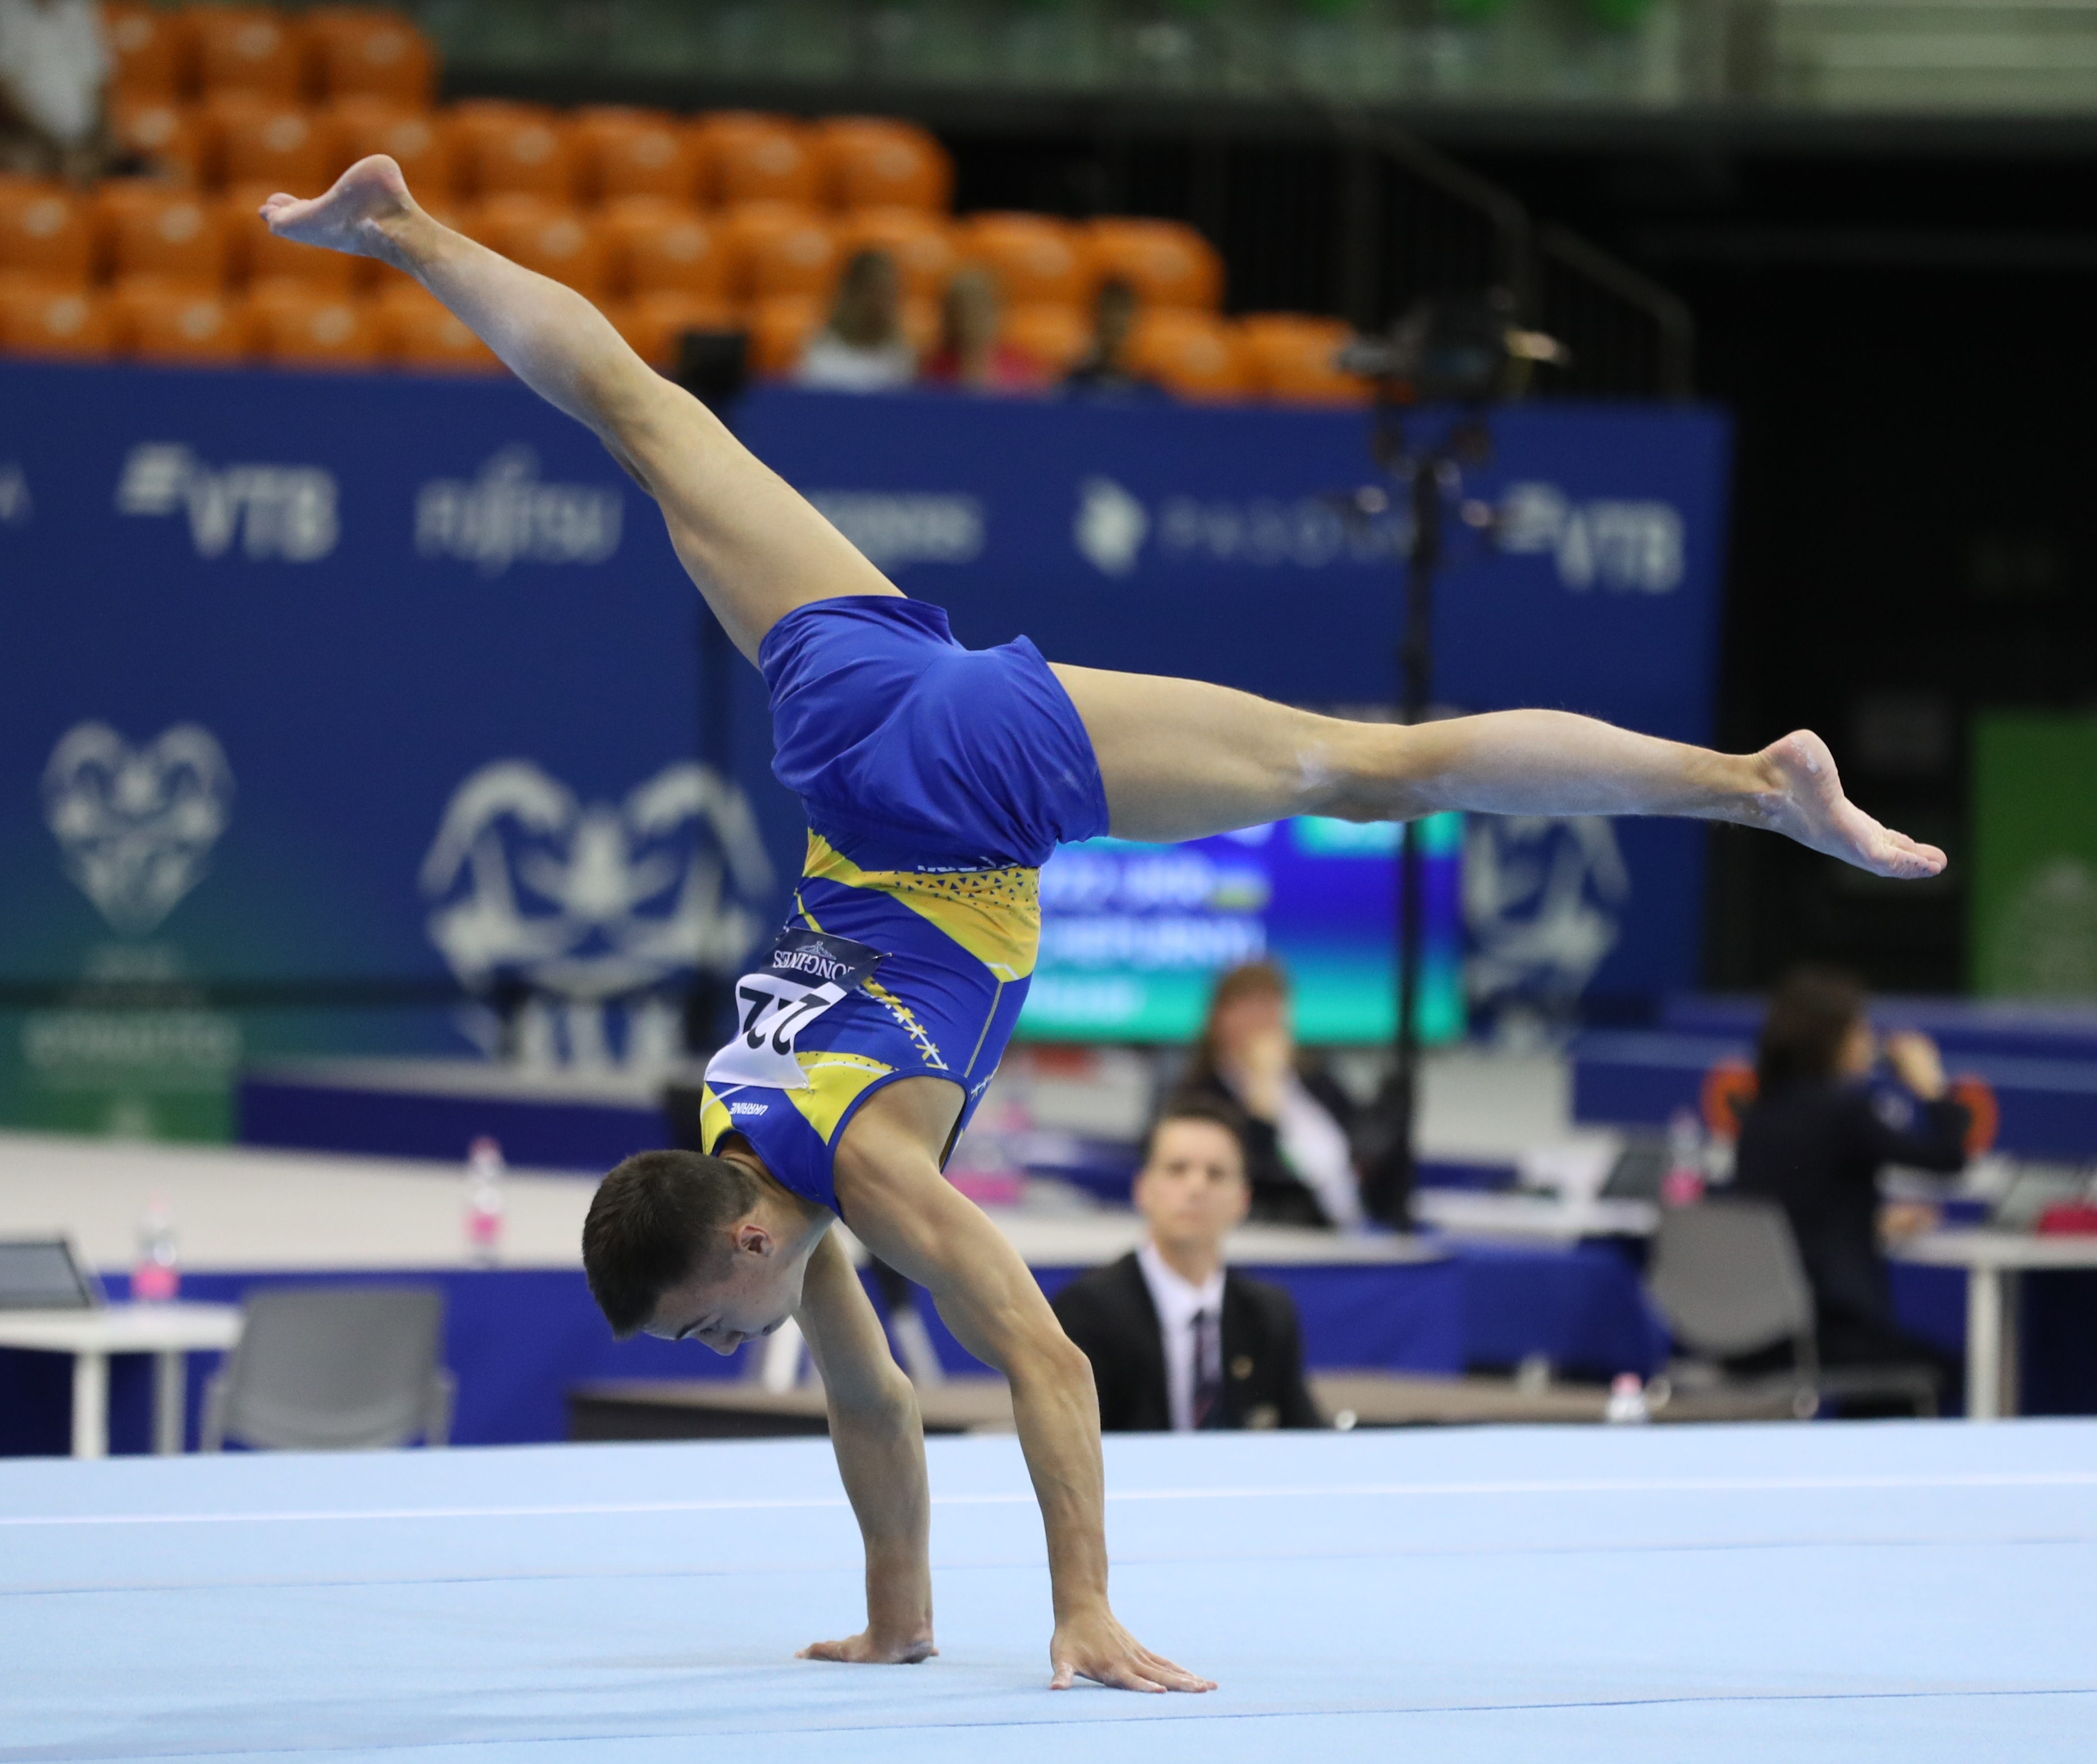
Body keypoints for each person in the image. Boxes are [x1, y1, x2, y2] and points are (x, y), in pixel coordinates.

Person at [260, 155, 1946, 1696]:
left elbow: (1050, 1364)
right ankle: (400, 225)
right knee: (641, 419)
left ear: (746, 1244)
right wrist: (904, 1612)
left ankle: (1748, 782)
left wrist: (1078, 1602)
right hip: (849, 740)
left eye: (707, 1321)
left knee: (1373, 768)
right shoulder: (737, 1139)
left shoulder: (864, 1179)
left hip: (962, 793)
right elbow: (868, 1395)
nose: (724, 1346)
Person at [1730, 967, 1968, 1396]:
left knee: (1885, 1375)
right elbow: (1948, 1158)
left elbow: (1791, 1213)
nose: (1870, 1040)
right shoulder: (1845, 1114)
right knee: (1943, 1370)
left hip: (1743, 1334)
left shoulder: (1759, 1114)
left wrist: (1868, 1222)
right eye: (1860, 1028)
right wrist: (1931, 1084)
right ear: (1830, 1038)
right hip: (1821, 1330)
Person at [1051, 1096, 1321, 1432]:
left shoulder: (1267, 1313)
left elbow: (1306, 1436)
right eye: (1177, 1169)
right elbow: (1070, 1441)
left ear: (1243, 1199)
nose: (1196, 1187)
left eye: (1216, 1174)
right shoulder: (1088, 1309)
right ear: (1143, 1189)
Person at [1178, 959, 1361, 1229]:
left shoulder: (1316, 1080)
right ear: (1220, 1016)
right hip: (1277, 1234)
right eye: (1249, 1008)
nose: (1261, 1021)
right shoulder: (1201, 1096)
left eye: (1270, 1007)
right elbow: (1249, 1180)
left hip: (1354, 1225)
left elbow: (1362, 1146)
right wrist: (1262, 1098)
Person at [0, 0, 110, 182]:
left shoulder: (81, 8)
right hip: (24, 138)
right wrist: (55, 148)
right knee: (25, 165)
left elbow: (99, 81)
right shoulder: (6, 10)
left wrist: (93, 147)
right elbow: (4, 90)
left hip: (83, 142)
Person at [795, 248, 915, 392]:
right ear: (852, 294)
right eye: (875, 294)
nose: (883, 305)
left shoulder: (902, 356)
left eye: (890, 296)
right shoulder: (818, 350)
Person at [918, 265, 1044, 394]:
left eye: (980, 306)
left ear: (997, 309)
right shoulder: (932, 367)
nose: (971, 316)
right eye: (961, 308)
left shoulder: (1023, 368)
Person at [1063, 276, 1152, 395]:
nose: (1115, 323)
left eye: (1123, 312)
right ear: (1093, 319)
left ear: (1139, 321)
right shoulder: (1073, 385)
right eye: (1108, 313)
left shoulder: (1152, 389)